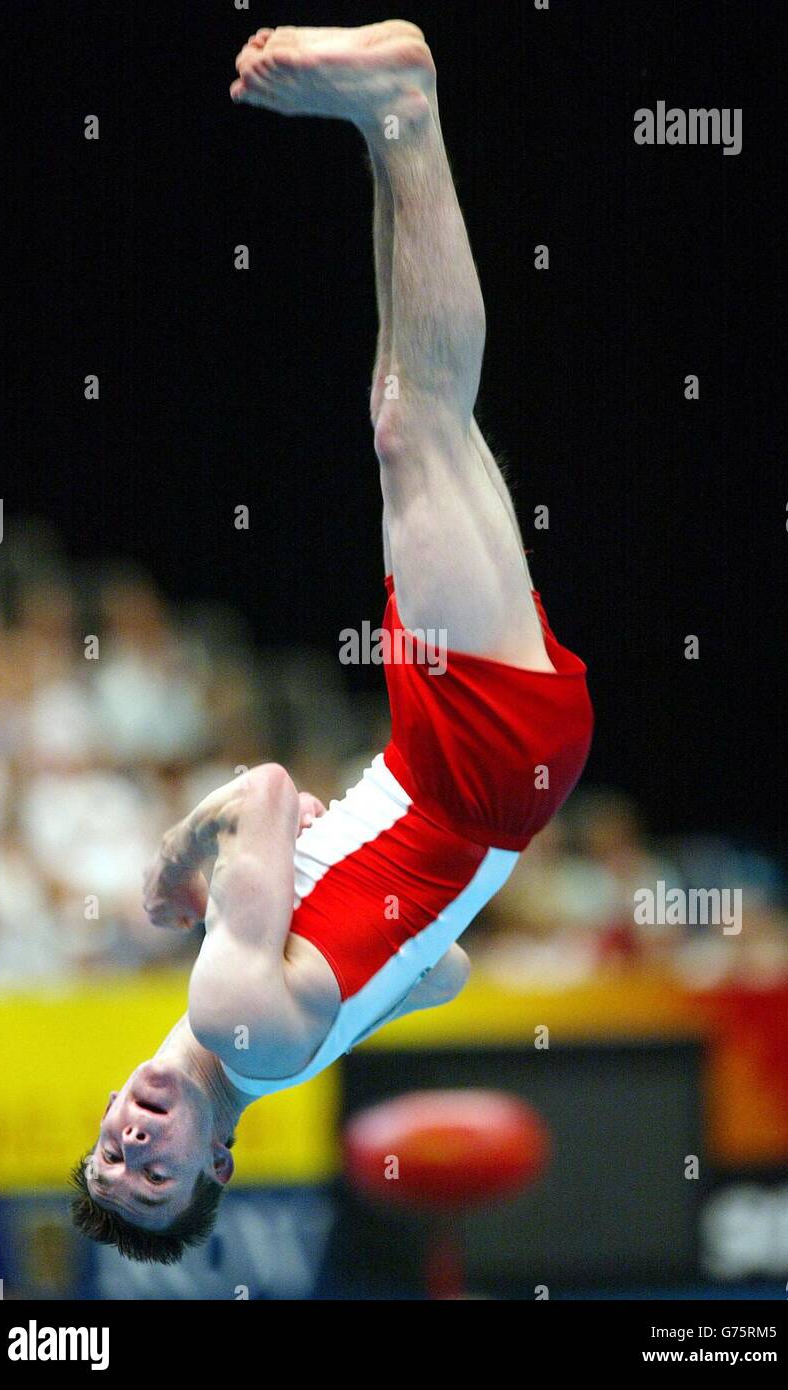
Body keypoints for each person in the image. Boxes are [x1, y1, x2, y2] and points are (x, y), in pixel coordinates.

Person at [70, 20, 593, 1264]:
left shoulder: (285, 1041)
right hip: (466, 772)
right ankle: (404, 99)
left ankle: (382, 122)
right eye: (156, 1180)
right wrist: (176, 866)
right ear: (219, 1158)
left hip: (472, 780)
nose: (132, 1152)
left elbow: (448, 970)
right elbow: (264, 787)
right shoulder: (234, 1017)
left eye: (108, 1159)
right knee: (421, 430)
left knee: (405, 416)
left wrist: (354, 895)